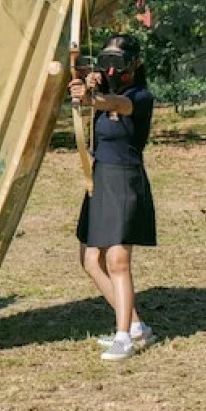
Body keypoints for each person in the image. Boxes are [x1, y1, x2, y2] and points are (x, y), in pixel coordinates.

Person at [71, 33, 158, 361]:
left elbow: (115, 106)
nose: (110, 70)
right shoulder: (105, 88)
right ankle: (135, 326)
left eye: (117, 63)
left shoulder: (140, 96)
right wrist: (82, 81)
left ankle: (123, 336)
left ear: (134, 65)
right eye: (106, 62)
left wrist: (91, 97)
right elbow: (96, 94)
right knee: (91, 260)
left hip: (124, 179)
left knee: (118, 260)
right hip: (101, 177)